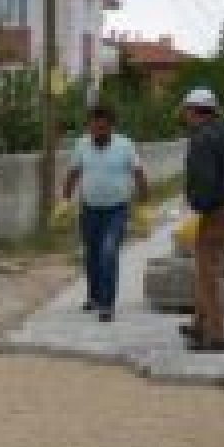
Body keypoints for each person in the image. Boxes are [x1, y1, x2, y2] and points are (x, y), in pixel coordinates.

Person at [61, 105, 148, 323]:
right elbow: (73, 173)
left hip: (116, 210)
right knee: (91, 255)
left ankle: (107, 304)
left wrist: (144, 205)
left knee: (108, 253)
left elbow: (138, 173)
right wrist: (65, 202)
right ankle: (93, 296)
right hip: (89, 209)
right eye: (93, 128)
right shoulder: (82, 144)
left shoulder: (125, 145)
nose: (97, 132)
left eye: (102, 128)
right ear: (89, 127)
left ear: (111, 127)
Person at [180, 88, 224, 353]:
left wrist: (195, 209)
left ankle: (217, 337)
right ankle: (199, 324)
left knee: (209, 275)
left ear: (195, 111)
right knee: (206, 270)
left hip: (214, 213)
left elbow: (205, 179)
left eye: (186, 111)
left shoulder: (202, 138)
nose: (184, 116)